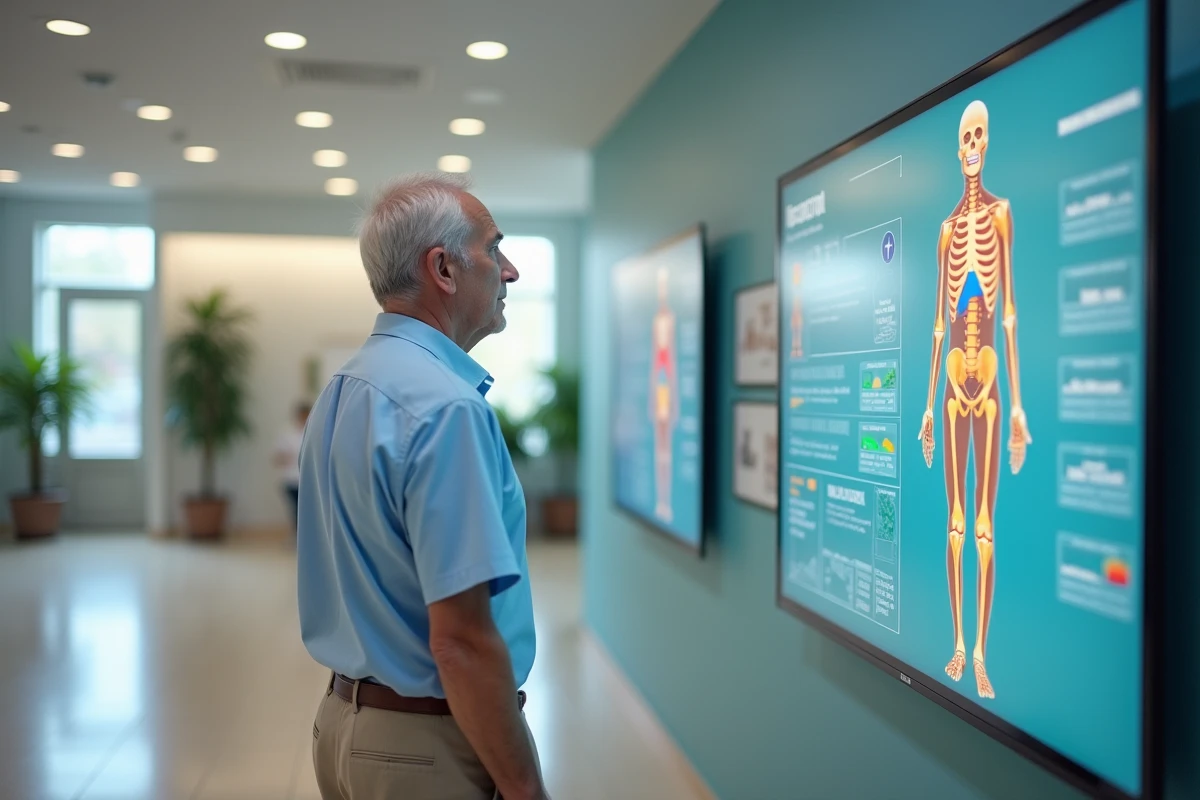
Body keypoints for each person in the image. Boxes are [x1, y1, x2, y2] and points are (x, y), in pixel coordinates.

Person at [296, 173, 548, 800]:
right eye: (494, 248)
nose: (510, 271)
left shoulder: (344, 388)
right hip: (423, 752)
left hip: (344, 728)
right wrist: (524, 787)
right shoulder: (446, 409)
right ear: (443, 268)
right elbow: (461, 640)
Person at [272, 401, 309, 532]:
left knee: (309, 511)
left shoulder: (315, 431)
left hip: (309, 480)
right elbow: (277, 458)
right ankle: (297, 536)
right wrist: (286, 457)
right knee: (296, 510)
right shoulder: (287, 433)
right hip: (291, 479)